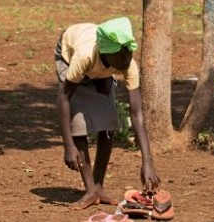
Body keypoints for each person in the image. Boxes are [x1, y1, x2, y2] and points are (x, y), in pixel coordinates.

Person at [55, 17, 160, 210]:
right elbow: (63, 98)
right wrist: (68, 144)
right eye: (121, 56)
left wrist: (147, 161)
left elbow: (136, 113)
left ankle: (99, 187)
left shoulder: (125, 62)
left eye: (129, 52)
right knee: (79, 123)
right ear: (106, 53)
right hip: (69, 53)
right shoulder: (85, 56)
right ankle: (90, 191)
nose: (126, 59)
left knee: (109, 124)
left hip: (100, 67)